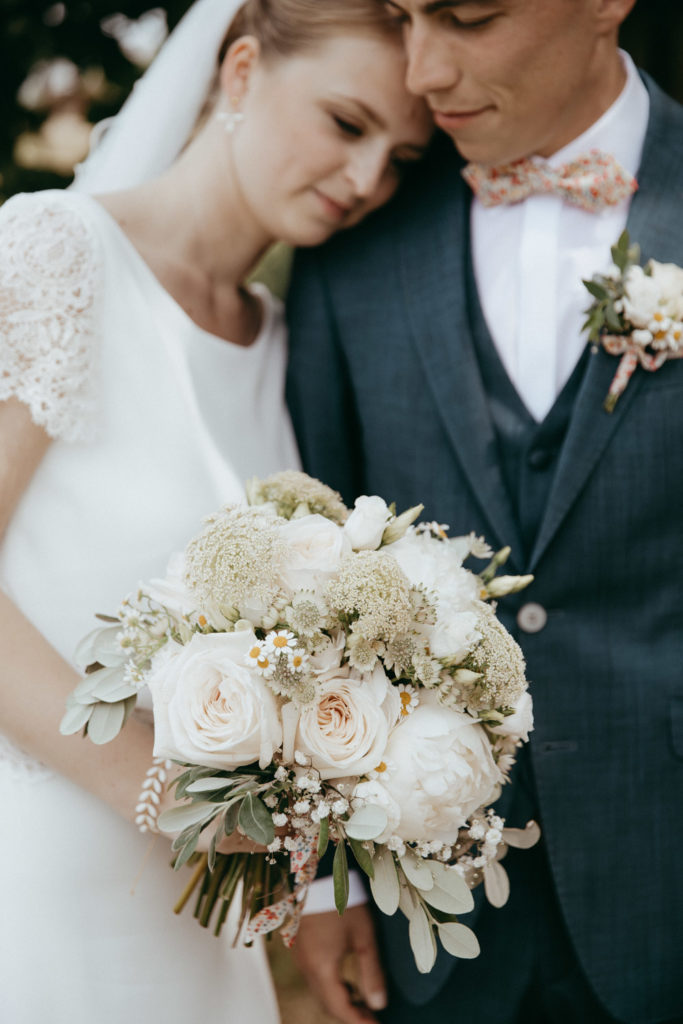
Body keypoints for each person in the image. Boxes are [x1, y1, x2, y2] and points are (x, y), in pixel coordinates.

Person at [0, 0, 432, 1020]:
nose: (368, 180)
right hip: (35, 879)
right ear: (238, 72)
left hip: (200, 922)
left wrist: (325, 883)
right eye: (344, 122)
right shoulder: (55, 255)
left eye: (402, 159)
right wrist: (158, 791)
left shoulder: (284, 343)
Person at [286, 0, 683, 1022]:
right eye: (402, 17)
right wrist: (330, 878)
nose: (419, 69)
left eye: (464, 16)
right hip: (430, 907)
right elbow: (316, 580)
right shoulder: (354, 231)